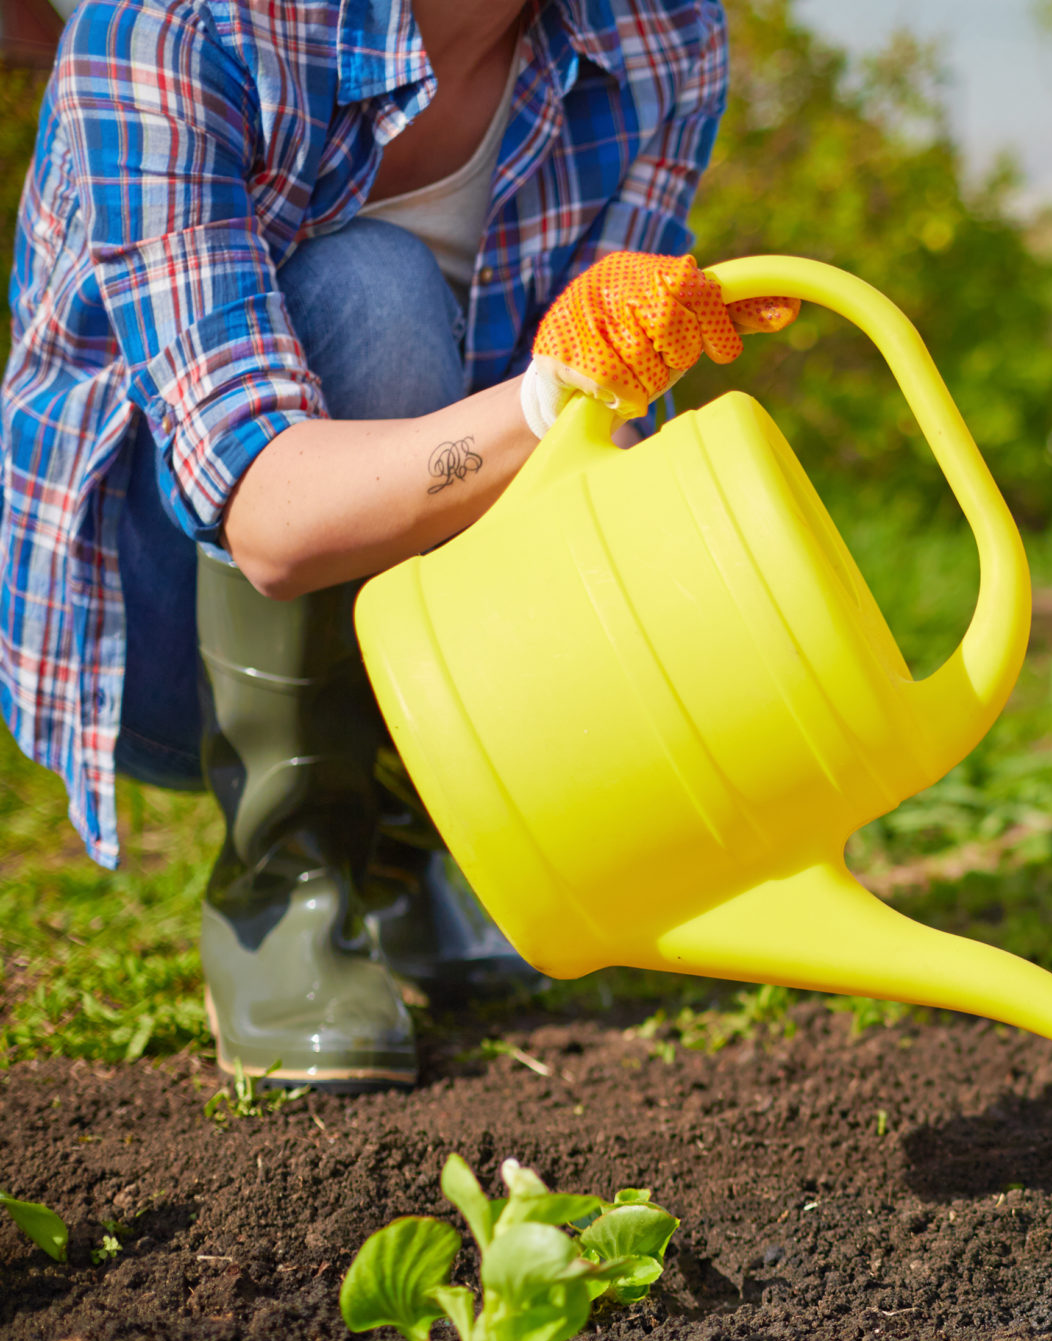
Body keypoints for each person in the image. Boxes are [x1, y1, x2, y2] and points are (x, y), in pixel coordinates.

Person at [2, 0, 796, 1088]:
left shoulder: (662, 32)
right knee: (374, 297)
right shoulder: (174, 25)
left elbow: (599, 423)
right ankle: (287, 886)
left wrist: (610, 380)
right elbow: (269, 513)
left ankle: (429, 836)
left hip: (423, 607)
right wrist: (540, 402)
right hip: (148, 625)